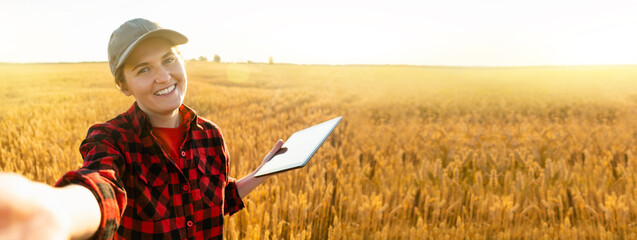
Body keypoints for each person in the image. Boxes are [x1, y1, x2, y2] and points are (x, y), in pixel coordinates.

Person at [0, 18, 283, 240]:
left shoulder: (211, 136)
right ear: (124, 86)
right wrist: (59, 212)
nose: (163, 77)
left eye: (169, 59)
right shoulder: (112, 139)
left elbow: (216, 203)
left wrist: (262, 173)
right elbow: (102, 187)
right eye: (144, 69)